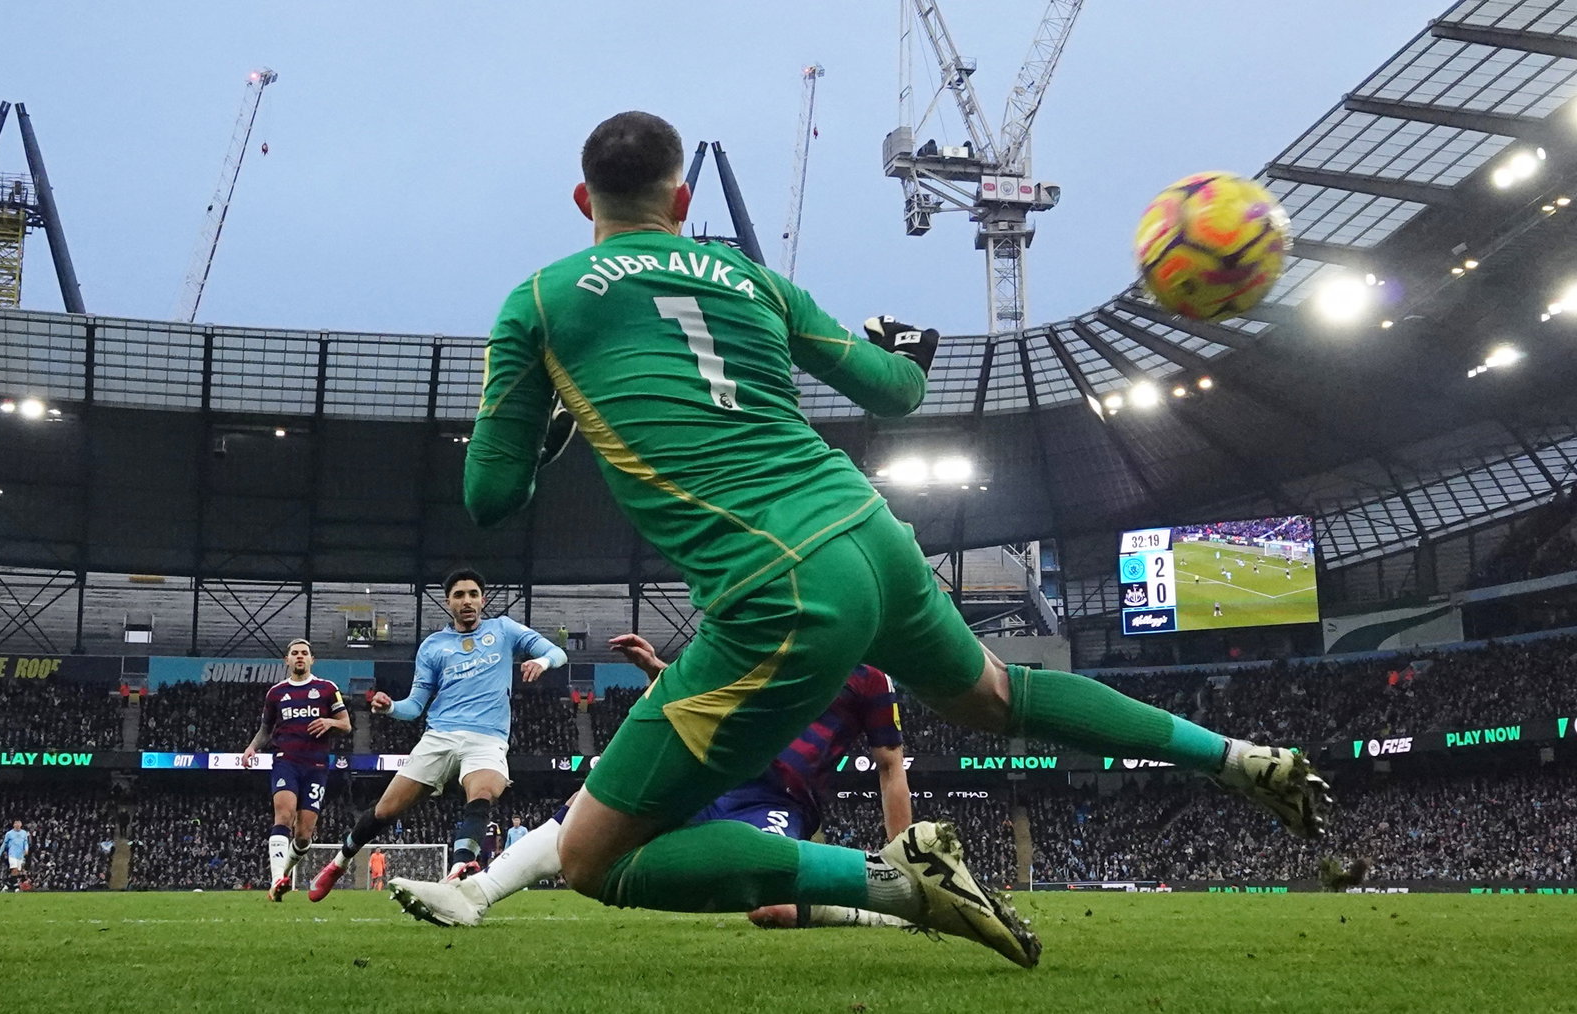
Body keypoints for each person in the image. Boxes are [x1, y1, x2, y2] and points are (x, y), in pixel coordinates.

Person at [457, 110, 1329, 968]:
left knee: (591, 857)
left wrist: (546, 430)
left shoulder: (540, 299)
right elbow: (896, 390)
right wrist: (905, 347)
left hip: (779, 583)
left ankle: (895, 880)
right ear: (682, 201)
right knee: (996, 691)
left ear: (583, 199)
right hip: (869, 530)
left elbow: (492, 497)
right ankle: (1239, 757)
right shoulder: (751, 279)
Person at [388, 632, 913, 930]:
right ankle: (474, 894)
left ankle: (888, 908)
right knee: (591, 813)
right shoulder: (773, 641)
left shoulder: (870, 676)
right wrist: (659, 671)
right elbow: (707, 702)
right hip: (712, 774)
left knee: (769, 911)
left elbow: (890, 767)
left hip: (779, 800)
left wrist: (902, 856)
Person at [307, 568, 568, 899]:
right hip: (439, 737)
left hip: (487, 738)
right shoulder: (433, 647)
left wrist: (542, 663)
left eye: (473, 594)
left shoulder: (504, 629)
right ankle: (339, 862)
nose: (467, 601)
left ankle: (461, 866)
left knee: (483, 792)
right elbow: (414, 706)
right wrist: (390, 708)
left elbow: (558, 653)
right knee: (386, 810)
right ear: (448, 603)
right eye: (459, 595)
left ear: (482, 599)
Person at [241, 638, 350, 901]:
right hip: (285, 761)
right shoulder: (276, 693)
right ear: (286, 660)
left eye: (304, 653)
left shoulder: (326, 688)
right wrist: (251, 747)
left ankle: (284, 872)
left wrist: (328, 722)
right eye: (295, 653)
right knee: (283, 815)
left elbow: (346, 724)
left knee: (303, 835)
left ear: (312, 660)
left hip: (316, 766)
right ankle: (278, 879)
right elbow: (266, 730)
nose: (300, 657)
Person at [0, 819, 29, 891]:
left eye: (19, 823)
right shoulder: (9, 834)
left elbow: (25, 843)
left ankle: (7, 886)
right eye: (16, 823)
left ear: (21, 824)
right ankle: (16, 887)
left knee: (16, 872)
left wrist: (26, 849)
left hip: (20, 855)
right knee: (14, 869)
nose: (17, 825)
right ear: (14, 825)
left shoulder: (24, 833)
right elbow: (4, 844)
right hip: (12, 854)